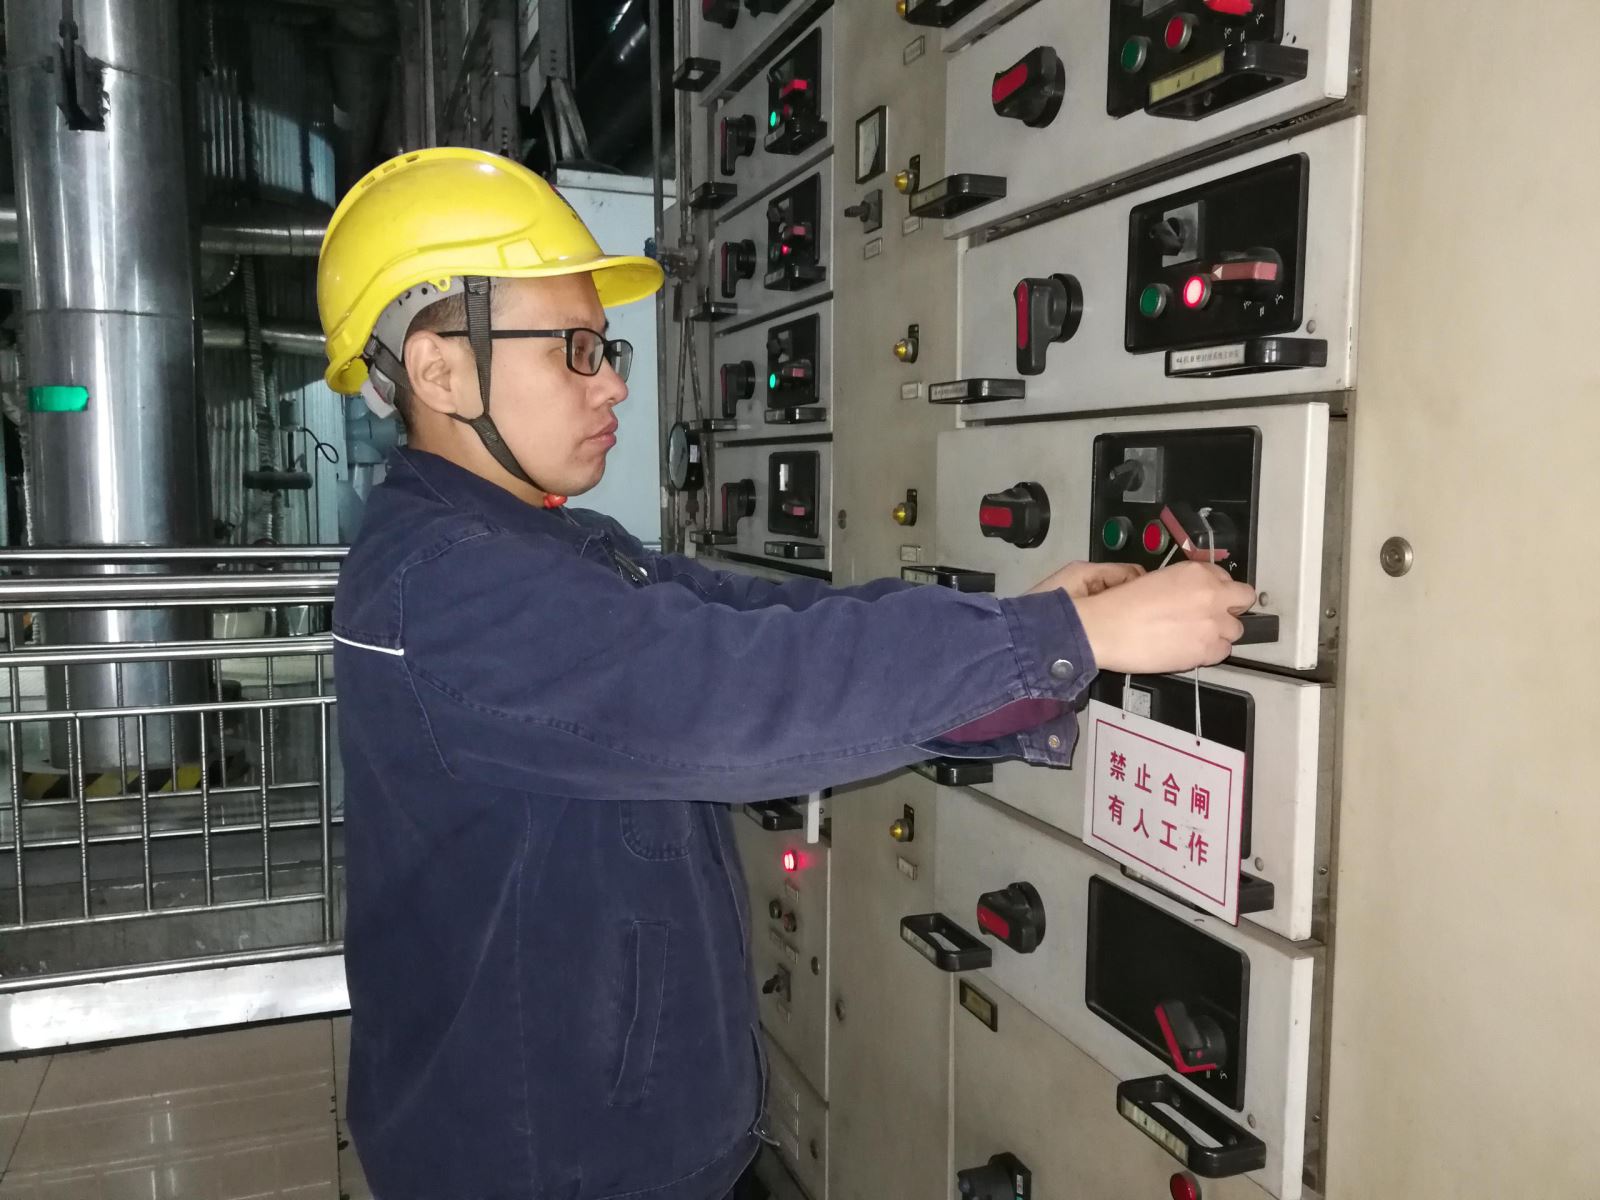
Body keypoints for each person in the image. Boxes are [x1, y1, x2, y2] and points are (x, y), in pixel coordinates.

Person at [317, 148, 1257, 1200]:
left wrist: (1029, 632)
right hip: (546, 1166)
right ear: (441, 371)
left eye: (606, 347)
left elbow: (768, 622)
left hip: (602, 1139)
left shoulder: (549, 546)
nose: (614, 381)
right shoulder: (451, 588)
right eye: (576, 350)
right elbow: (736, 693)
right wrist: (1061, 640)